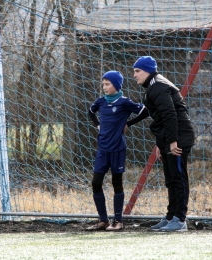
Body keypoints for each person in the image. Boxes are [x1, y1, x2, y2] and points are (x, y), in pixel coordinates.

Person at [127, 56, 195, 232]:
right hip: (169, 138)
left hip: (178, 137)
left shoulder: (157, 85)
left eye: (137, 71)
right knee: (170, 179)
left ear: (148, 70)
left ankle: (180, 219)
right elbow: (151, 112)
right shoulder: (152, 86)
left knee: (178, 178)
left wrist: (172, 142)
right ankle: (171, 216)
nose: (134, 75)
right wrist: (129, 123)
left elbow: (170, 114)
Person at [86, 70, 147, 231]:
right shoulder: (100, 102)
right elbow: (90, 112)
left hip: (118, 149)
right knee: (95, 182)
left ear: (117, 85)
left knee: (117, 183)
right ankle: (103, 220)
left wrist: (129, 124)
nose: (104, 87)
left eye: (108, 84)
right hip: (102, 149)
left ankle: (118, 221)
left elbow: (145, 111)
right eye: (103, 84)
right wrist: (99, 126)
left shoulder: (124, 102)